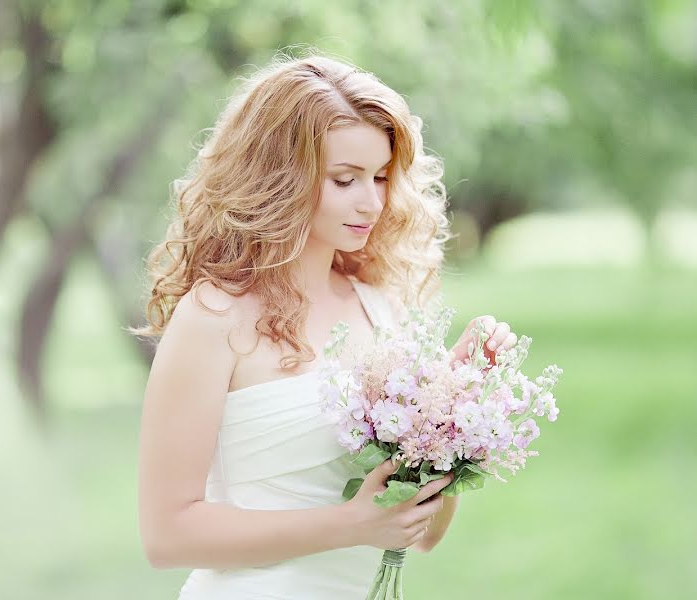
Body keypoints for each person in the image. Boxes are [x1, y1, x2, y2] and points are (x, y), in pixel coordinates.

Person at [129, 51, 519, 599]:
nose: (373, 202)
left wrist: (451, 411)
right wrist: (350, 526)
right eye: (345, 180)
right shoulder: (214, 316)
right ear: (281, 178)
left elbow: (425, 534)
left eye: (381, 177)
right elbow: (166, 535)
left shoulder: (382, 309)